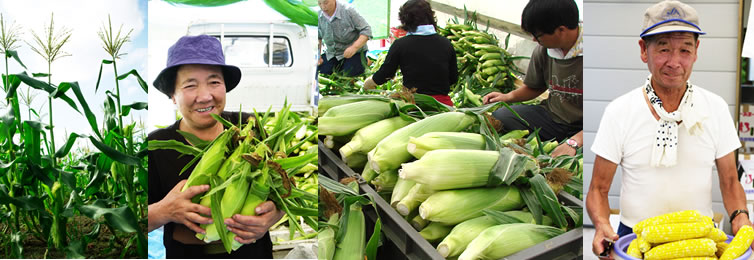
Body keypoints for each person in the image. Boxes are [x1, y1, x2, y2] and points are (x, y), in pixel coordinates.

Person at [586, 0, 750, 257]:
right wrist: (601, 225)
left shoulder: (715, 108)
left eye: (685, 50)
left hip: (699, 239)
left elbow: (730, 180)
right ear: (644, 50)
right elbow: (598, 188)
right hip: (634, 238)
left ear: (696, 51)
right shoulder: (620, 111)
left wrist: (741, 217)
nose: (674, 62)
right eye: (663, 49)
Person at [147, 35, 284, 258]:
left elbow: (282, 191)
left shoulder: (250, 127)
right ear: (173, 95)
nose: (205, 96)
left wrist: (274, 214)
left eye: (214, 82)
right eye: (190, 85)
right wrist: (165, 211)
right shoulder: (155, 147)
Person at [482, 0, 583, 157]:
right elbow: (535, 87)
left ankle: (570, 145)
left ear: (561, 30)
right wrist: (506, 97)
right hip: (552, 118)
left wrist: (576, 141)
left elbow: (611, 116)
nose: (535, 40)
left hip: (588, 127)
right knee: (502, 117)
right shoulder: (544, 50)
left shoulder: (598, 54)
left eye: (538, 34)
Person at [361, 0, 458, 107]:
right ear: (431, 17)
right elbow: (453, 78)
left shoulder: (401, 44)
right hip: (443, 106)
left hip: (415, 105)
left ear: (405, 20)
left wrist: (369, 83)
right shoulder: (446, 43)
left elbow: (385, 74)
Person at [317, 0, 372, 77]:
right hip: (333, 53)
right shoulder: (319, 14)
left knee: (349, 73)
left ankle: (365, 60)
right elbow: (318, 37)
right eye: (319, 3)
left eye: (326, 2)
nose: (323, 7)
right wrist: (318, 56)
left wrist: (354, 47)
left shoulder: (348, 10)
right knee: (321, 72)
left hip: (354, 52)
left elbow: (367, 30)